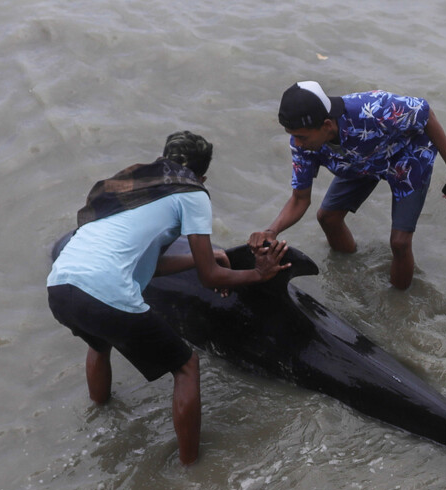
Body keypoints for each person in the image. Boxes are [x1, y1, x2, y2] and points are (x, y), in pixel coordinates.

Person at [47, 131, 290, 465]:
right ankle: (191, 466)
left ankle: (98, 414)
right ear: (202, 176)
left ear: (164, 160)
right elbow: (210, 277)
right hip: (105, 288)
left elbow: (149, 265)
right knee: (186, 366)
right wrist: (259, 274)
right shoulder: (192, 193)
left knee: (100, 343)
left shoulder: (133, 186)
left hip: (61, 284)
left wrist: (207, 254)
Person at [248, 81, 446, 290]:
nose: (297, 143)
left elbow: (426, 113)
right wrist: (271, 231)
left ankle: (398, 302)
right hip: (358, 162)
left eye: (301, 137)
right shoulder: (303, 145)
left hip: (406, 157)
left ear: (326, 125)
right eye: (292, 136)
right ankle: (347, 271)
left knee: (400, 243)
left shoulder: (375, 109)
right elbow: (300, 199)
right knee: (327, 217)